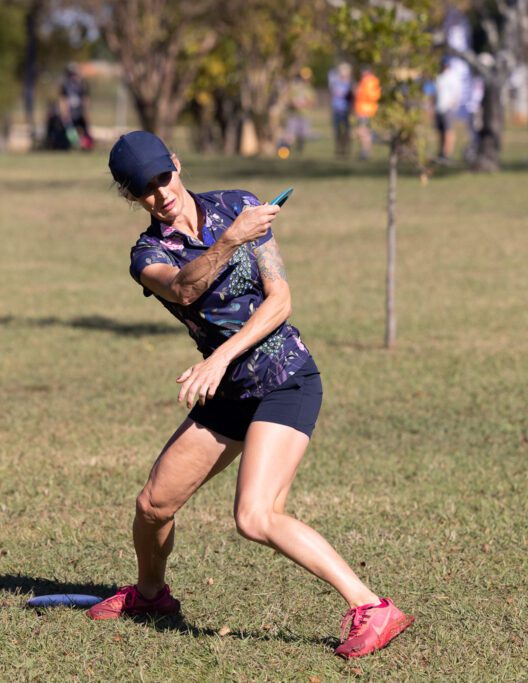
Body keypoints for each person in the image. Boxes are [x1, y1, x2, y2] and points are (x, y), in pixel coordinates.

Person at [90, 131, 414, 659]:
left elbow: (280, 299)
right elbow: (187, 288)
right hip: (230, 394)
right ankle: (151, 596)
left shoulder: (239, 206)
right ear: (132, 197)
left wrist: (219, 356)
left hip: (285, 378)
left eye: (163, 176)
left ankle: (371, 606)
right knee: (153, 506)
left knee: (256, 515)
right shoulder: (148, 254)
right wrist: (230, 241)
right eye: (144, 189)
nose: (161, 193)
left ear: (176, 162)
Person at [59, 62, 93, 150]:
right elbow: (63, 100)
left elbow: (85, 99)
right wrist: (64, 113)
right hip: (70, 111)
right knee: (70, 130)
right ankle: (75, 144)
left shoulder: (82, 84)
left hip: (80, 111)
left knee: (86, 130)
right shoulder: (65, 85)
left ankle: (87, 145)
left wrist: (86, 112)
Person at [353, 66, 381, 160]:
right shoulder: (365, 81)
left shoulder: (370, 81)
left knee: (363, 132)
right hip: (362, 110)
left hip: (367, 110)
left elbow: (372, 96)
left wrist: (359, 92)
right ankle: (365, 150)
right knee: (362, 132)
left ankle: (366, 151)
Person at [328, 62, 354, 158]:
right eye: (341, 71)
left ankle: (346, 149)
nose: (343, 73)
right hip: (336, 109)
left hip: (346, 110)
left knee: (347, 131)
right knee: (337, 130)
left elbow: (352, 97)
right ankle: (338, 148)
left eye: (345, 71)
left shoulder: (350, 83)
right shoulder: (335, 82)